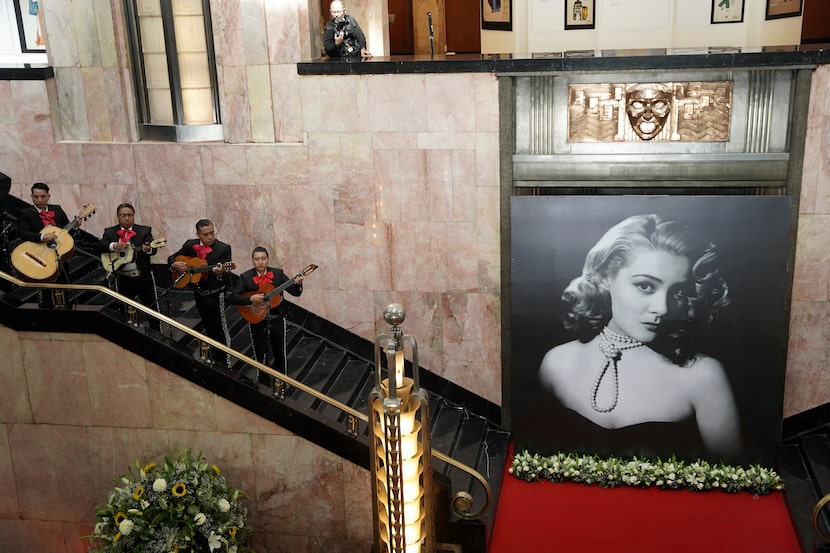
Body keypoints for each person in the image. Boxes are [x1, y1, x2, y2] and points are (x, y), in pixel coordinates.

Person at [537, 213, 741, 461]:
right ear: (605, 279)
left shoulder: (703, 376)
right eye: (646, 286)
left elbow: (732, 482)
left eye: (677, 292)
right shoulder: (556, 363)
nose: (663, 308)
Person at [228, 247, 304, 391]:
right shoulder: (246, 277)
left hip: (276, 320)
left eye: (263, 258)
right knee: (260, 353)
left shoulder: (278, 274)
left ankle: (282, 384)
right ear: (253, 260)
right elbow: (233, 297)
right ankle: (263, 384)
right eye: (257, 259)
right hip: (257, 321)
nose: (260, 262)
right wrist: (250, 298)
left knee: (279, 353)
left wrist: (298, 284)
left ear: (268, 259)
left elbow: (294, 292)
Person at [168, 219, 232, 364]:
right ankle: (213, 357)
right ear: (198, 234)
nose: (210, 237)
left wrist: (219, 272)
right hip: (198, 293)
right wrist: (174, 264)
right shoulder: (190, 245)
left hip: (216, 294)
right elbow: (173, 257)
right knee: (207, 326)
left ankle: (224, 362)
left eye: (212, 233)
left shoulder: (223, 248)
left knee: (220, 329)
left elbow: (227, 275)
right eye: (205, 234)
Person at [15, 182, 82, 307]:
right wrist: (42, 236)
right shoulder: (25, 213)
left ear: (48, 196)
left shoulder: (57, 210)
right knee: (45, 293)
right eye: (36, 197)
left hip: (58, 258)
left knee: (64, 289)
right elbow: (22, 233)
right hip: (39, 255)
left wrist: (76, 227)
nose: (39, 200)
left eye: (43, 196)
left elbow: (67, 234)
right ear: (31, 196)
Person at [99, 203, 160, 331]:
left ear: (134, 216)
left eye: (129, 215)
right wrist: (114, 246)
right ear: (118, 216)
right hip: (123, 278)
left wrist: (147, 249)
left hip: (142, 276)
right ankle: (127, 331)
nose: (126, 218)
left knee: (151, 306)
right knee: (124, 307)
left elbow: (153, 250)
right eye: (123, 215)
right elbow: (102, 245)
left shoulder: (144, 230)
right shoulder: (109, 232)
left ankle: (156, 331)